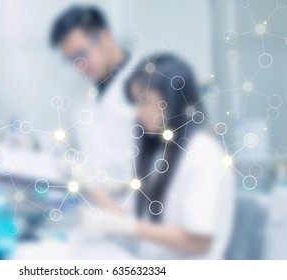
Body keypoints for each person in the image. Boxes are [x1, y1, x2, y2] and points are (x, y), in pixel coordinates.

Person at [84, 54, 236, 260]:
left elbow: (200, 240)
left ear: (173, 100)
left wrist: (127, 226)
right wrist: (91, 186)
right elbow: (135, 220)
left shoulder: (203, 152)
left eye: (145, 102)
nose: (138, 113)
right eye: (136, 102)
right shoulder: (161, 151)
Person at [50, 6, 139, 185]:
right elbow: (69, 145)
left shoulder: (148, 83)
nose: (78, 66)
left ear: (104, 38)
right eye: (71, 60)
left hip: (134, 204)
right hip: (91, 203)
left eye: (81, 54)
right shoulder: (78, 89)